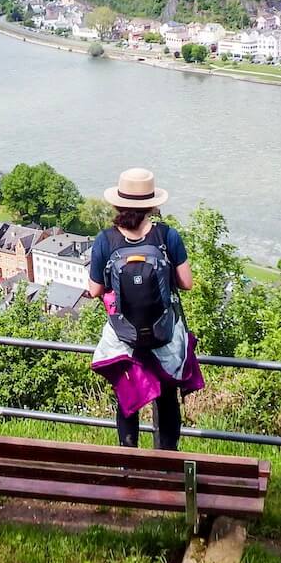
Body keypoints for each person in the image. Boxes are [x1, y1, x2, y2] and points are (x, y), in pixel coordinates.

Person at [87, 167, 198, 450]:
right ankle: (167, 464)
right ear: (152, 204)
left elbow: (95, 290)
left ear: (117, 203)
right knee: (167, 399)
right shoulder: (167, 236)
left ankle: (129, 464)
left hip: (124, 335)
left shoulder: (105, 240)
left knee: (128, 397)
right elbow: (187, 283)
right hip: (164, 334)